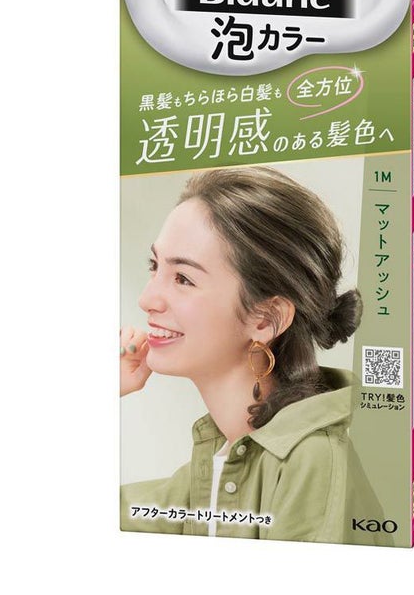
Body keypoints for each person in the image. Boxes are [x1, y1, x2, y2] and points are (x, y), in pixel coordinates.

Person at [119, 165, 391, 545]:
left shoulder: (312, 463)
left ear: (265, 318)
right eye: (154, 266)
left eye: (183, 278)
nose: (146, 299)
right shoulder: (218, 461)